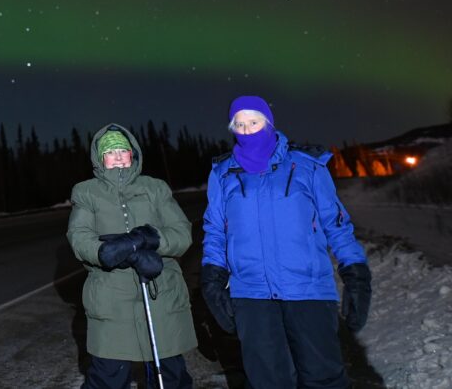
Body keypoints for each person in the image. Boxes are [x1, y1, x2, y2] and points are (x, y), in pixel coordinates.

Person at [201, 95, 372, 389]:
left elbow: (336, 223)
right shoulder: (223, 173)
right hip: (251, 295)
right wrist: (212, 277)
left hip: (307, 289)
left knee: (324, 377)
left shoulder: (307, 166)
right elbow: (216, 229)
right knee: (268, 381)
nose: (247, 131)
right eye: (239, 125)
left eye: (253, 122)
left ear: (268, 122)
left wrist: (355, 271)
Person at [67, 123, 197, 389]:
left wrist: (152, 241)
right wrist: (106, 252)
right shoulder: (86, 192)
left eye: (122, 150)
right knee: (108, 375)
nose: (116, 156)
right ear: (99, 158)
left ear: (133, 154)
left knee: (169, 374)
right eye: (110, 151)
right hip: (112, 298)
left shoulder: (155, 188)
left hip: (161, 293)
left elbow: (182, 233)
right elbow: (79, 237)